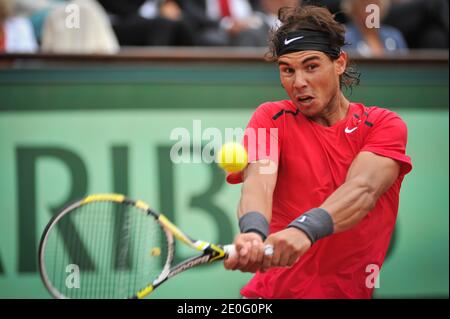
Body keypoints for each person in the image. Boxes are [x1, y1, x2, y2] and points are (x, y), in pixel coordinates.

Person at [223, 5, 412, 299]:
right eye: (287, 70)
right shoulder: (268, 117)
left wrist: (303, 230)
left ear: (339, 63)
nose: (298, 82)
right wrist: (252, 232)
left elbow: (362, 191)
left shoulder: (384, 125)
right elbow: (258, 182)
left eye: (311, 66)